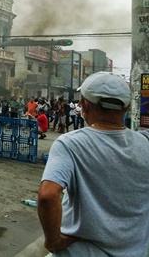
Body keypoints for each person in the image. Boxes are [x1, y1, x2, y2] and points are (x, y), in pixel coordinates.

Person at [37, 72, 149, 256]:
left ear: (85, 105)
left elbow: (48, 195)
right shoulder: (145, 143)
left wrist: (53, 241)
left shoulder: (70, 143)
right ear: (127, 106)